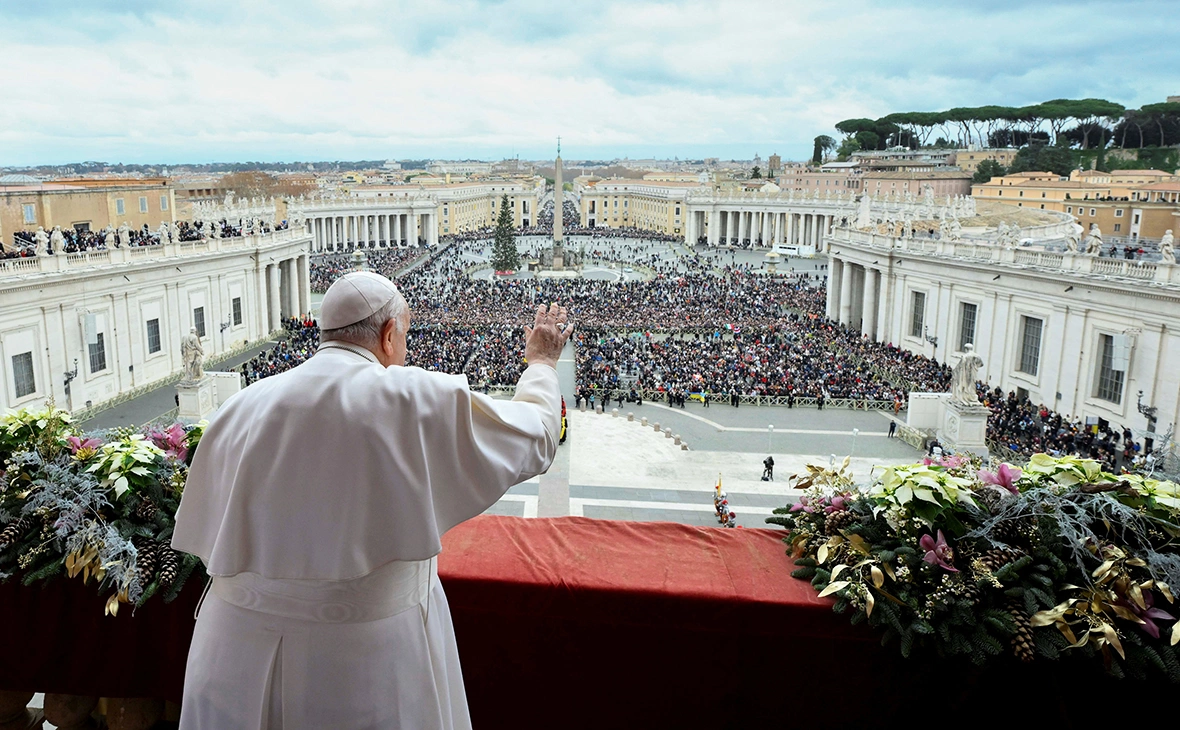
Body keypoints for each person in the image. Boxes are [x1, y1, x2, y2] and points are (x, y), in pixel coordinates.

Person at [172, 271, 572, 730]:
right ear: (388, 334)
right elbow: (537, 435)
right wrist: (542, 363)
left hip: (231, 655)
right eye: (405, 337)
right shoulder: (411, 396)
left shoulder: (239, 407)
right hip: (361, 661)